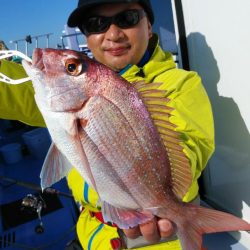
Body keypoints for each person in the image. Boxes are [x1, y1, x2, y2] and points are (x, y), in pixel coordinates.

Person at [0, 0, 214, 249]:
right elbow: (13, 90)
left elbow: (190, 144)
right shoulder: (64, 94)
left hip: (157, 237)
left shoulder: (181, 83)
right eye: (96, 24)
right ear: (87, 37)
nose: (113, 34)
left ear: (149, 25)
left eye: (128, 18)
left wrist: (158, 201)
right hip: (94, 235)